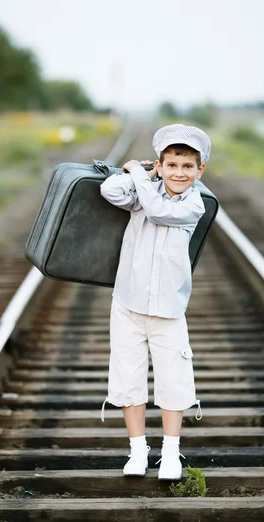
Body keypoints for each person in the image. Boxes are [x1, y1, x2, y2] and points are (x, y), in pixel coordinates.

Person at [99, 124, 211, 480]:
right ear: (161, 166)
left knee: (173, 380)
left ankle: (171, 453)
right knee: (128, 377)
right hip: (128, 303)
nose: (180, 173)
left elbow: (159, 210)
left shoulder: (194, 203)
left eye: (187, 167)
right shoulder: (146, 187)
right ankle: (137, 450)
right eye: (172, 165)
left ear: (199, 171)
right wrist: (141, 172)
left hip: (168, 310)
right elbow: (109, 188)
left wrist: (142, 179)